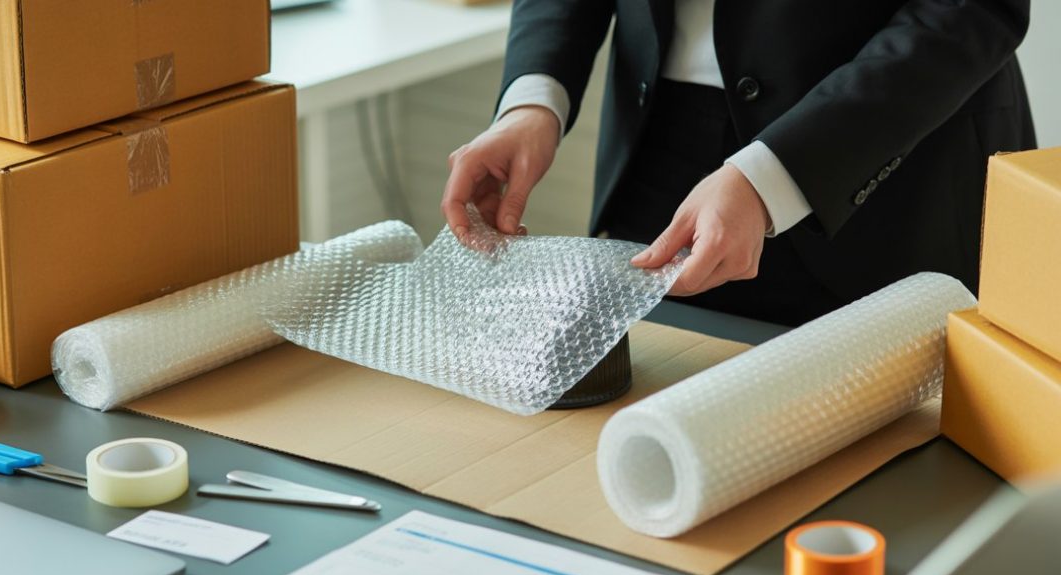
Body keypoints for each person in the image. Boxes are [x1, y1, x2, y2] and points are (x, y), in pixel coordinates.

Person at [441, 0, 1036, 326]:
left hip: (880, 169)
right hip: (656, 153)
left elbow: (973, 8)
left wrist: (774, 174)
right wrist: (533, 102)